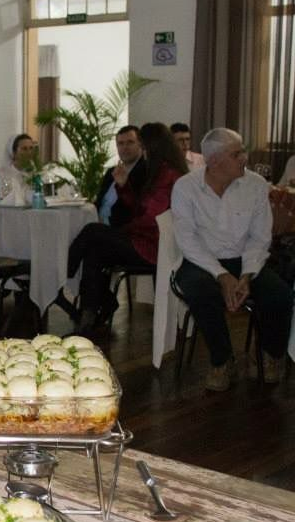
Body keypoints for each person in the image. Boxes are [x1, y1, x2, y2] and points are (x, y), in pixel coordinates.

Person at [172, 128, 293, 391]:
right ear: (214, 161)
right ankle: (222, 360)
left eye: (242, 151)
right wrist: (222, 275)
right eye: (237, 153)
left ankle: (270, 354)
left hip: (245, 260)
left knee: (280, 295)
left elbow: (260, 238)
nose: (245, 158)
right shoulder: (186, 187)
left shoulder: (256, 185)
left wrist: (247, 275)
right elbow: (188, 241)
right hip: (200, 261)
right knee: (202, 292)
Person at [67, 123, 188, 333]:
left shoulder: (167, 175)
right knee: (94, 250)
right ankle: (88, 318)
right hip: (145, 239)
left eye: (142, 145)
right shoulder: (159, 171)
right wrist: (124, 187)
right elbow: (140, 208)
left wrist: (122, 231)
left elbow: (151, 219)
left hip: (153, 246)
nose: (142, 151)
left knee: (92, 231)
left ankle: (65, 272)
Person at [95, 125, 147, 226]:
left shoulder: (146, 171)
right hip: (98, 222)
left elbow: (137, 209)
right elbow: (99, 202)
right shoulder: (111, 172)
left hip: (121, 228)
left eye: (130, 142)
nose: (125, 147)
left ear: (140, 144)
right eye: (120, 143)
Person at [0, 134, 36, 203]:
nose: (29, 152)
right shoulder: (2, 175)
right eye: (24, 149)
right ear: (14, 152)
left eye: (31, 148)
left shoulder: (35, 173)